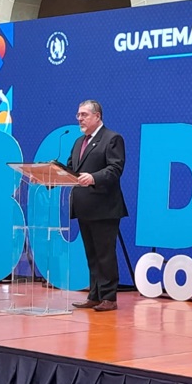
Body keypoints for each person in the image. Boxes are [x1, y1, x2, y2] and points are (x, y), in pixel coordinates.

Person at [68, 100, 128, 312]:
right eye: (78, 115)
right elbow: (70, 169)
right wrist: (49, 175)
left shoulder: (112, 139)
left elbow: (115, 169)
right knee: (91, 254)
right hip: (84, 207)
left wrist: (93, 177)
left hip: (104, 207)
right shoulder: (78, 142)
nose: (79, 119)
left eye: (84, 114)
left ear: (97, 116)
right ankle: (95, 295)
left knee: (105, 254)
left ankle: (109, 297)